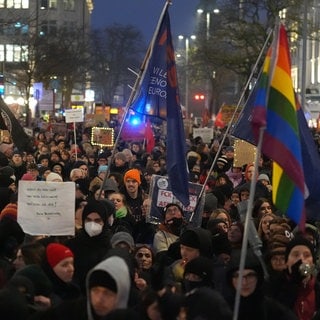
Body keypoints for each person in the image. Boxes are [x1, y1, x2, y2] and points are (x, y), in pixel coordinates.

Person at [226, 248, 298, 320]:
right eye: (238, 276)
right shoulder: (222, 309)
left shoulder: (274, 311)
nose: (244, 282)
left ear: (258, 278)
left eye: (250, 275)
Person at [66, 200, 113, 294]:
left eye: (97, 220)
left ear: (104, 222)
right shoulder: (72, 245)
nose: (92, 224)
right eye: (88, 220)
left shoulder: (110, 247)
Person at [267, 236, 320, 320]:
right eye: (295, 255)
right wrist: (293, 284)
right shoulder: (272, 288)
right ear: (287, 262)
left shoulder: (317, 290)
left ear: (313, 263)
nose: (301, 259)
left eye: (307, 255)